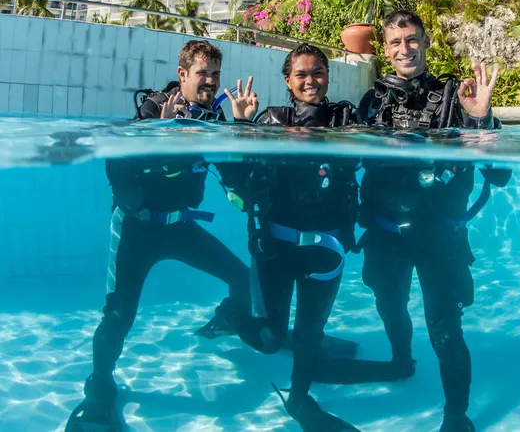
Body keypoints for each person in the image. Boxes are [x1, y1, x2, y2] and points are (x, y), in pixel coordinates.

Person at [66, 40, 258, 432]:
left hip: (182, 226)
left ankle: (226, 320)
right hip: (138, 229)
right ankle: (99, 384)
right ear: (182, 73)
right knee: (120, 313)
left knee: (242, 278)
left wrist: (241, 128)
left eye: (215, 75)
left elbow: (235, 183)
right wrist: (158, 136)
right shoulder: (152, 111)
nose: (210, 81)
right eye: (202, 73)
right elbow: (118, 173)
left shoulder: (215, 118)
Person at [354, 10, 512, 432]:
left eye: (411, 40)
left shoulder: (456, 97)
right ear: (385, 52)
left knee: (444, 329)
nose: (404, 49)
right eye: (394, 43)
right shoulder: (372, 103)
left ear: (425, 42)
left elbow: (500, 174)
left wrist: (480, 119)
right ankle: (401, 360)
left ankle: (456, 415)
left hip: (439, 238)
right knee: (389, 306)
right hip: (385, 235)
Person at [224, 43, 361, 431]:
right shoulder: (271, 119)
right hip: (277, 250)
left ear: (328, 76)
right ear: (287, 80)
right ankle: (233, 316)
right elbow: (237, 177)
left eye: (317, 72)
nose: (310, 80)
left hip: (326, 250)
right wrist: (242, 127)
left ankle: (300, 400)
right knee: (270, 339)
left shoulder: (344, 117)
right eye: (301, 74)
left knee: (309, 334)